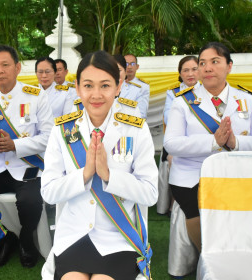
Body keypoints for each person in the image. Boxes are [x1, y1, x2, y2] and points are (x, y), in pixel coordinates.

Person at [41, 50, 158, 280]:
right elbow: (48, 192)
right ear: (77, 87)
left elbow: (151, 193)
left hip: (119, 236)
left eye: (105, 85)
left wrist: (108, 175)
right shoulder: (62, 130)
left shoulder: (135, 129)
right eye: (88, 85)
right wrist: (85, 174)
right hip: (74, 235)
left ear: (118, 87)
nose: (96, 94)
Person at [164, 42, 252, 252]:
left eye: (215, 62)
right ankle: (207, 256)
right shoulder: (183, 102)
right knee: (196, 211)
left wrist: (235, 142)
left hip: (239, 171)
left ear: (229, 66)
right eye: (202, 63)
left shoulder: (248, 100)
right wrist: (214, 142)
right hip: (193, 173)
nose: (207, 68)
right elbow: (171, 144)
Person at [0, 45, 54, 268]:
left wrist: (15, 145)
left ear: (17, 67)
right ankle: (3, 239)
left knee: (30, 201)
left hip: (26, 165)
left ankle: (26, 242)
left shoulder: (36, 95)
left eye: (5, 65)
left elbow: (49, 137)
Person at [157, 56, 201, 215]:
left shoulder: (209, 90)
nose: (191, 74)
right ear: (180, 74)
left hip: (202, 141)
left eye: (194, 69)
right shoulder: (173, 92)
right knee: (175, 162)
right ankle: (174, 204)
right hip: (178, 140)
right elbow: (169, 117)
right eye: (186, 70)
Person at [123, 54, 150, 118]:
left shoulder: (143, 86)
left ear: (137, 67)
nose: (129, 67)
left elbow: (142, 113)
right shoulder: (115, 84)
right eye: (126, 64)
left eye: (132, 64)